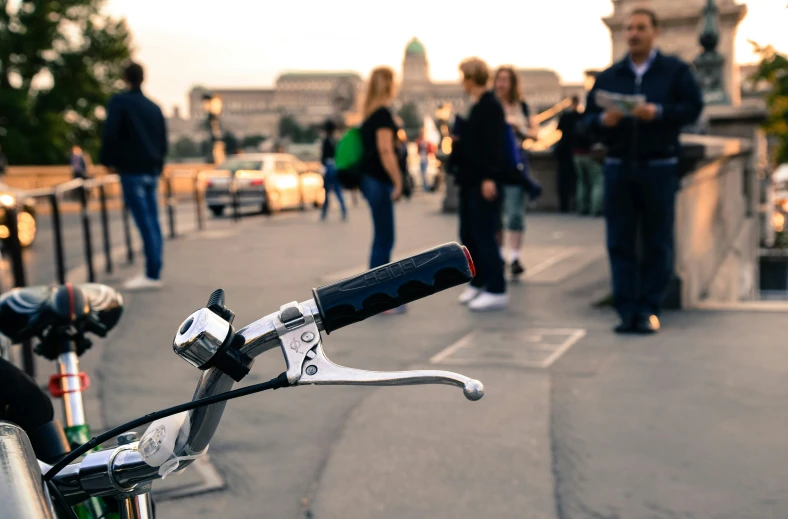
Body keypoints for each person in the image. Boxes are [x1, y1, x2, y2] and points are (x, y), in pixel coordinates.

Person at [584, 7, 703, 334]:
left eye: (640, 28)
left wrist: (660, 112)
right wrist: (601, 121)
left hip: (659, 166)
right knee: (619, 241)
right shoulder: (608, 77)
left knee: (657, 242)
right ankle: (625, 311)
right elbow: (586, 123)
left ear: (654, 32)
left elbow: (693, 108)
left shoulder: (675, 71)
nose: (633, 33)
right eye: (629, 28)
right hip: (618, 167)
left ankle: (650, 308)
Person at [99, 61, 168, 291]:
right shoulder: (154, 107)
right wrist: (158, 166)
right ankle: (154, 270)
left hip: (132, 170)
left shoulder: (120, 102)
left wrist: (107, 162)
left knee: (145, 223)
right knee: (153, 222)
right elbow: (163, 141)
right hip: (150, 170)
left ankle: (152, 274)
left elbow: (110, 134)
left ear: (125, 78)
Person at [455, 58, 509, 311]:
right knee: (469, 233)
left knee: (484, 233)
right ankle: (480, 282)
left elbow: (493, 145)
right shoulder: (478, 105)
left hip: (482, 180)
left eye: (463, 77)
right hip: (470, 179)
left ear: (471, 78)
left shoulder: (490, 106)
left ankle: (497, 288)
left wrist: (490, 177)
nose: (461, 82)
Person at [357, 66, 405, 312]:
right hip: (379, 181)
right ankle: (380, 298)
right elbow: (386, 151)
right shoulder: (384, 115)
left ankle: (376, 295)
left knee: (380, 237)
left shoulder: (369, 115)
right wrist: (398, 181)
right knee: (385, 238)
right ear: (388, 86)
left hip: (368, 180)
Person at [493, 66, 540, 278]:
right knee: (495, 216)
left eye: (505, 80)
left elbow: (535, 134)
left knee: (514, 214)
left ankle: (514, 256)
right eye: (498, 79)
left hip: (515, 166)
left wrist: (517, 129)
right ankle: (499, 255)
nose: (501, 84)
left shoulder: (523, 107)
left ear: (513, 83)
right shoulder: (490, 106)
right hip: (494, 166)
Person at [563, 96, 604, 216]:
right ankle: (596, 208)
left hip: (577, 154)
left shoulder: (578, 118)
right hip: (590, 153)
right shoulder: (596, 119)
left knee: (581, 181)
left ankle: (582, 207)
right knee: (597, 181)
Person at [320, 119, 347, 221]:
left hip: (328, 167)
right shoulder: (335, 141)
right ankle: (343, 209)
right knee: (337, 190)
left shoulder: (326, 141)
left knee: (327, 192)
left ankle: (324, 212)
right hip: (335, 167)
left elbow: (323, 156)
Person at [415, 128, 432, 192]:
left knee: (424, 173)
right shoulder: (419, 141)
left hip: (425, 158)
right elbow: (418, 150)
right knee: (422, 174)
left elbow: (429, 150)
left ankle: (426, 187)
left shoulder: (426, 142)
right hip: (422, 158)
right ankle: (425, 187)